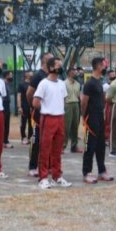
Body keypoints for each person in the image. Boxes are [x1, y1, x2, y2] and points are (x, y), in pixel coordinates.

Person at [33, 57, 71, 189]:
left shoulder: (61, 83)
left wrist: (59, 109)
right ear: (50, 68)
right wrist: (46, 109)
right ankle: (43, 177)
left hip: (60, 117)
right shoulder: (43, 83)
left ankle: (57, 176)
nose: (60, 67)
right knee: (45, 148)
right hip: (48, 118)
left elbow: (64, 100)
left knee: (57, 149)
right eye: (58, 65)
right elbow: (35, 102)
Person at [80, 57, 114, 184]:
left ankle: (102, 171)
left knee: (100, 146)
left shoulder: (99, 82)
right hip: (91, 117)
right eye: (103, 65)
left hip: (100, 116)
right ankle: (86, 173)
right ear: (98, 66)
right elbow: (84, 102)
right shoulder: (90, 83)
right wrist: (84, 117)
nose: (105, 67)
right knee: (90, 146)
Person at [26, 53, 53, 176]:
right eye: (51, 59)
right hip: (38, 113)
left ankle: (46, 165)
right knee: (36, 139)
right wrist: (34, 106)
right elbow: (29, 93)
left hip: (49, 113)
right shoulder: (38, 76)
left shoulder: (51, 76)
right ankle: (33, 166)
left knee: (48, 140)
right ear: (45, 60)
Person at [64, 67, 82, 152]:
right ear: (70, 73)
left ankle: (74, 146)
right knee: (66, 126)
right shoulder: (64, 83)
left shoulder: (78, 84)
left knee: (75, 125)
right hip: (67, 105)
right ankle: (62, 147)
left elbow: (79, 96)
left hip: (76, 104)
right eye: (74, 72)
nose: (76, 74)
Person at [18, 71, 33, 145]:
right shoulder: (21, 84)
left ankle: (30, 137)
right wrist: (19, 107)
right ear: (26, 75)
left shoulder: (33, 84)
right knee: (23, 122)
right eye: (29, 73)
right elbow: (19, 96)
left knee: (31, 122)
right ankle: (23, 137)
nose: (31, 74)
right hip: (24, 106)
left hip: (31, 106)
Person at [2, 70, 14, 149]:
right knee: (3, 124)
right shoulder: (2, 83)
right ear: (6, 76)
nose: (11, 77)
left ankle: (5, 140)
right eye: (10, 75)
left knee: (6, 124)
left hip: (7, 105)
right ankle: (3, 141)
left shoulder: (7, 84)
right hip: (3, 105)